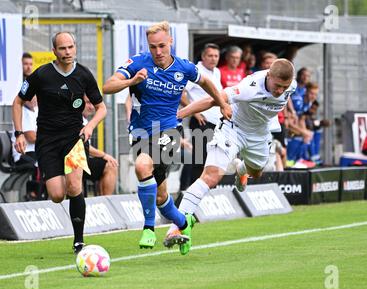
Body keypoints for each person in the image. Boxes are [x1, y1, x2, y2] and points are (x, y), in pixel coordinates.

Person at [103, 21, 231, 254]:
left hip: (170, 131)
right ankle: (185, 223)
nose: (158, 51)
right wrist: (131, 82)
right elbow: (108, 86)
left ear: (170, 42)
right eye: (153, 47)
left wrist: (222, 104)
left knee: (142, 165)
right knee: (162, 198)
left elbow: (207, 83)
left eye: (162, 45)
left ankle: (149, 228)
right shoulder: (138, 62)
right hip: (141, 133)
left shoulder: (184, 67)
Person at [165, 58, 297, 254]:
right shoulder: (249, 87)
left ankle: (241, 169)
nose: (279, 91)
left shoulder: (290, 85)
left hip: (259, 135)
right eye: (277, 86)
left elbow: (286, 93)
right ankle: (178, 224)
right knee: (210, 176)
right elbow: (213, 99)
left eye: (283, 87)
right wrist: (178, 115)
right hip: (232, 129)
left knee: (257, 172)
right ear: (269, 75)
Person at [12, 31, 107, 254]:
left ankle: (79, 241)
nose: (67, 52)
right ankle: (69, 196)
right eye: (62, 48)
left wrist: (90, 126)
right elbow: (17, 102)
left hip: (75, 138)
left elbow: (101, 108)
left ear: (75, 48)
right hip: (47, 141)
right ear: (54, 51)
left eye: (70, 47)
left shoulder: (84, 75)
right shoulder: (41, 75)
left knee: (74, 185)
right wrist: (19, 133)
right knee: (56, 195)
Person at [180, 43, 223, 185]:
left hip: (215, 122)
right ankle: (190, 191)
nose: (213, 59)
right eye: (210, 55)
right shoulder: (197, 70)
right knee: (199, 159)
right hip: (200, 121)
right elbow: (181, 93)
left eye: (216, 56)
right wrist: (195, 111)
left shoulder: (216, 72)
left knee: (212, 160)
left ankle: (205, 189)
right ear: (203, 57)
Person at [82, 96, 118, 195]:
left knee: (110, 165)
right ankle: (106, 200)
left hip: (84, 160)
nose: (92, 107)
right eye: (88, 103)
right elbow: (83, 146)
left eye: (93, 103)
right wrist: (104, 155)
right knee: (111, 165)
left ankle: (104, 201)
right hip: (74, 161)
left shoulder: (86, 120)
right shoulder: (76, 120)